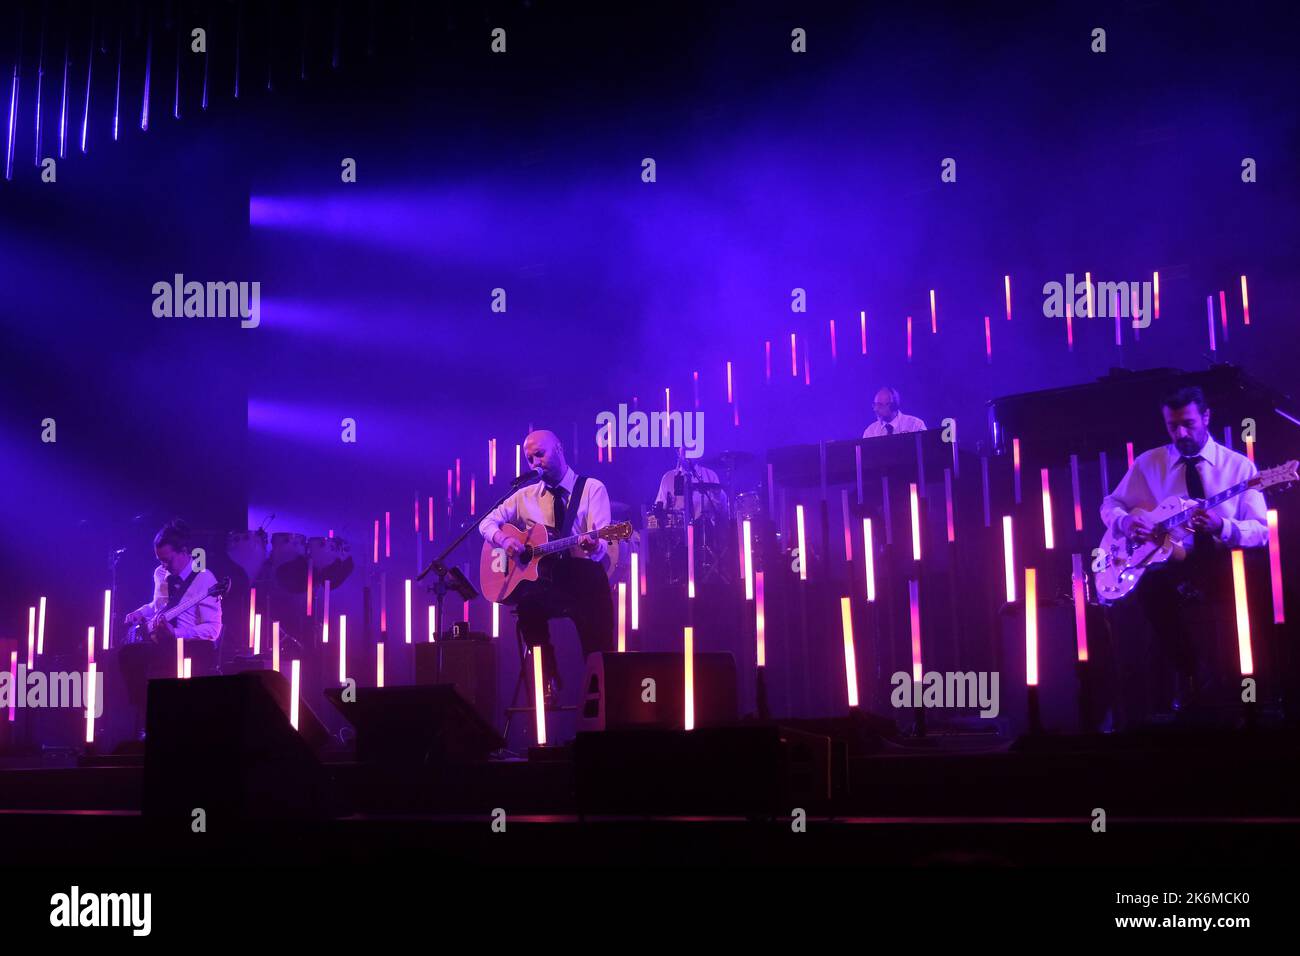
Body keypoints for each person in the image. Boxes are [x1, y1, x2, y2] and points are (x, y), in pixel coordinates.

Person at [1099, 385, 1267, 722]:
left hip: (1221, 560)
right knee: (1144, 593)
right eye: (1172, 426)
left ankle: (1252, 697)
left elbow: (1261, 531)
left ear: (1206, 417)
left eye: (1188, 424)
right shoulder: (1150, 463)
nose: (1180, 433)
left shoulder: (1239, 468)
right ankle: (1183, 679)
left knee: (1262, 586)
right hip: (1169, 563)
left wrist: (1222, 526)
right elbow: (1110, 504)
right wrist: (1127, 522)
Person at [478, 430, 614, 700]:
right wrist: (504, 540)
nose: (535, 463)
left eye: (540, 454)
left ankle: (600, 694)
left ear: (559, 448)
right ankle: (546, 677)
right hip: (548, 584)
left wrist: (595, 546)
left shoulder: (591, 488)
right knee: (527, 606)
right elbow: (485, 523)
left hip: (584, 580)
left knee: (597, 636)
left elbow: (603, 548)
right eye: (529, 459)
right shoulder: (523, 496)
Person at [121, 519, 223, 737]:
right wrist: (140, 612)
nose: (163, 565)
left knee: (146, 660)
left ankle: (163, 725)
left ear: (184, 552)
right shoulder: (160, 574)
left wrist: (177, 633)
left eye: (167, 560)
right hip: (161, 643)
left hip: (191, 647)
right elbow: (157, 606)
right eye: (160, 560)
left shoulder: (205, 580)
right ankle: (142, 717)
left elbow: (213, 629)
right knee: (125, 654)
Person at [653, 448, 726, 519]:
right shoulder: (668, 478)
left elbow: (721, 509)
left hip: (705, 529)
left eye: (691, 448)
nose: (688, 453)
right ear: (678, 451)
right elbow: (660, 508)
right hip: (677, 529)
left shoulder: (710, 476)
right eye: (685, 448)